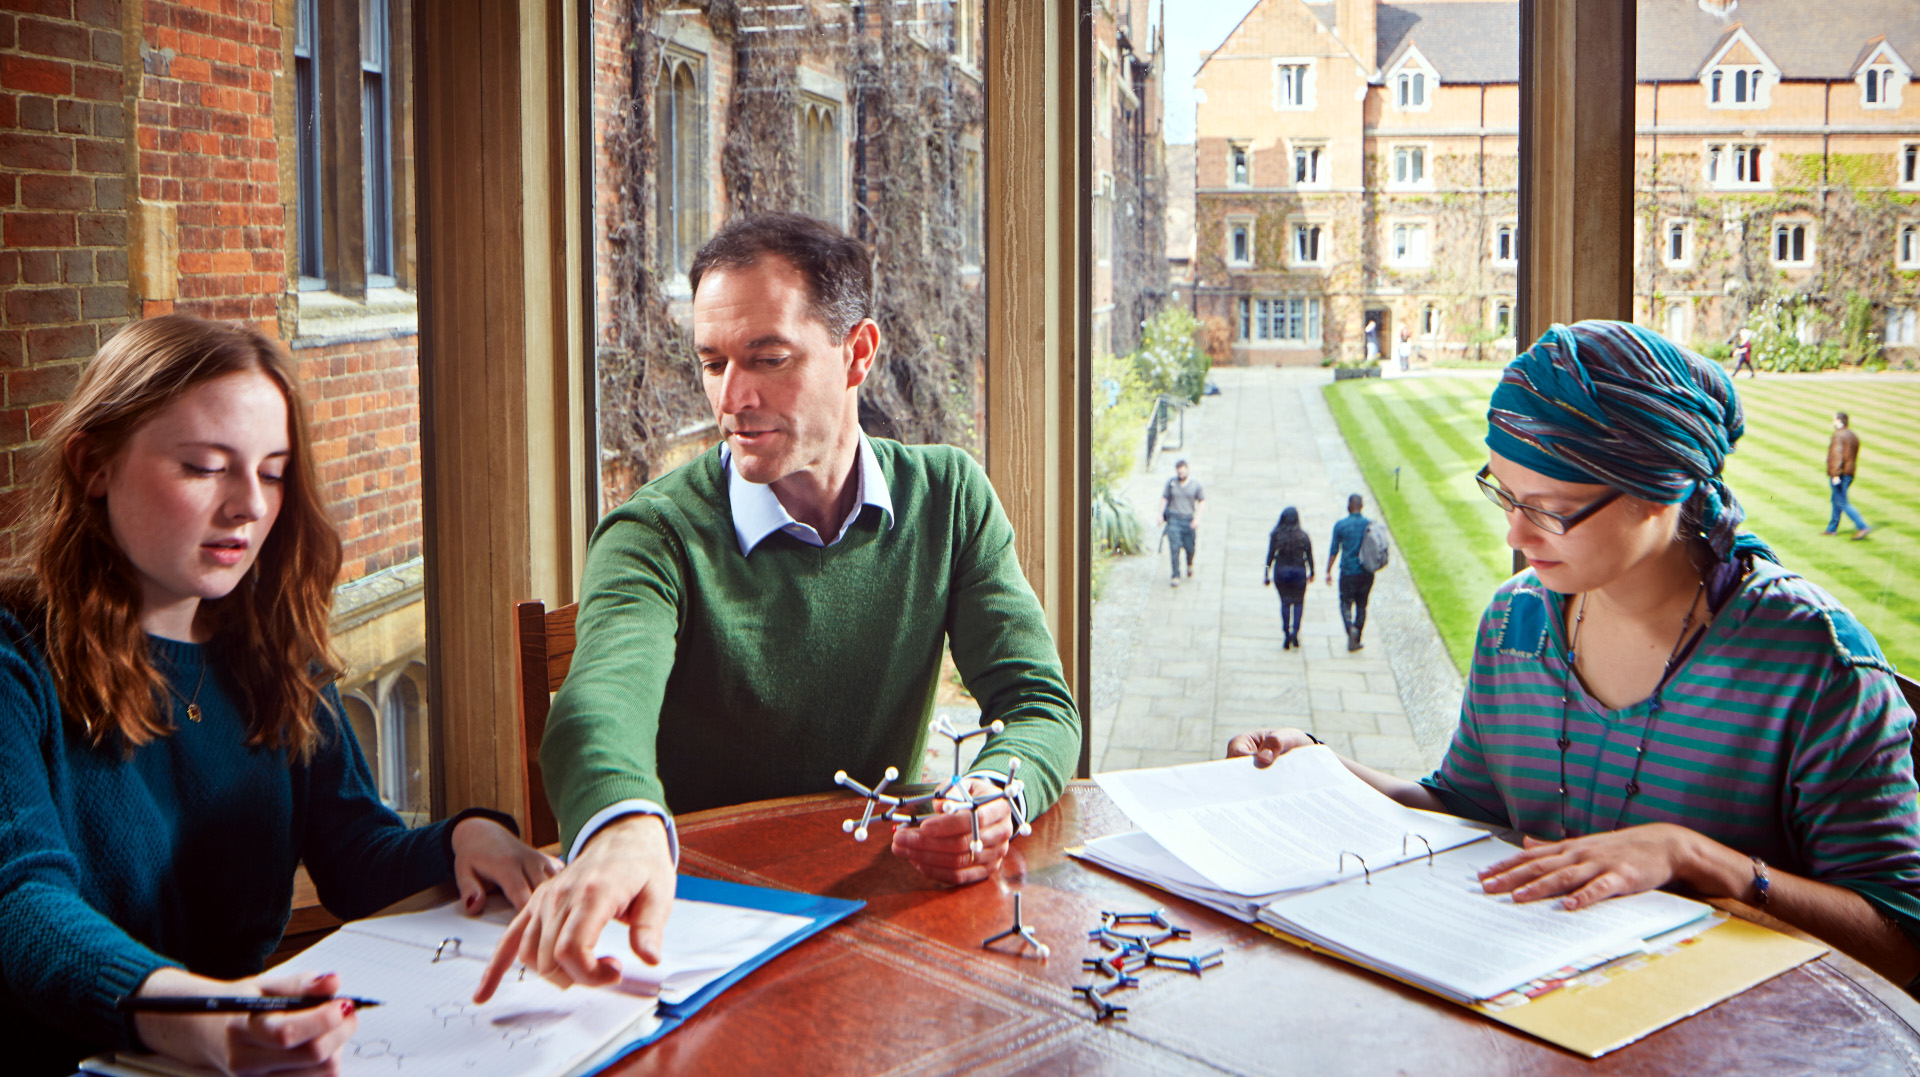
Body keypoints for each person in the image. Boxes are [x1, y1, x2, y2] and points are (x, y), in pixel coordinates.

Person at [478, 213, 1080, 1003]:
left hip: (874, 918)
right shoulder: (652, 533)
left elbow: (1039, 706)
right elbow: (597, 707)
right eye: (712, 362)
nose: (733, 399)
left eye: (768, 358)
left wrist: (993, 795)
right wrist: (624, 822)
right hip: (692, 937)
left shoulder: (949, 498)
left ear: (857, 352)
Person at [1230, 320, 1920, 986]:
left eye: (1549, 507)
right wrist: (1320, 765)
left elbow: (1902, 943)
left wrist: (1700, 859)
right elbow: (1464, 806)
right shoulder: (1515, 622)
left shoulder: (1815, 665)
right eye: (1504, 494)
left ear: (1660, 489)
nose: (1516, 533)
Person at [0, 315, 555, 1076]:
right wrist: (197, 1017)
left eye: (271, 471)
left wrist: (466, 838)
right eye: (203, 467)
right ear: (93, 463)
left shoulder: (273, 649)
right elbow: (21, 900)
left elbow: (357, 853)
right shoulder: (14, 658)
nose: (249, 507)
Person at [1325, 493, 1375, 651]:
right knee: (1362, 605)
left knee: (1345, 603)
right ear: (1362, 506)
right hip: (1366, 572)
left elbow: (1334, 550)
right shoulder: (1369, 525)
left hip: (1348, 571)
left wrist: (1328, 570)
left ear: (1349, 506)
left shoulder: (1341, 525)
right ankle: (1357, 636)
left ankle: (1350, 629)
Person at [1263, 507, 1314, 650]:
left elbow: (1270, 555)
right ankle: (1295, 632)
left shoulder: (1277, 535)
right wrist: (1312, 572)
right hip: (1299, 571)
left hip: (1282, 571)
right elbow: (1309, 555)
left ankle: (1286, 633)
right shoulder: (1303, 536)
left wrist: (1266, 573)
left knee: (1285, 603)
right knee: (1298, 603)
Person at [1824, 411, 1870, 540]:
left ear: (1839, 421)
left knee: (1842, 501)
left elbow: (1837, 455)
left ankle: (1862, 526)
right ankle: (1831, 529)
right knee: (1836, 499)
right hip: (1850, 472)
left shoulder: (1838, 435)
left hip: (1841, 473)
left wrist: (1835, 474)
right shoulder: (1852, 435)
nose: (1833, 422)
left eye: (1834, 419)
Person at [1161, 459, 1204, 587]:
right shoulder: (1171, 484)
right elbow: (1164, 498)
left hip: (1188, 519)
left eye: (1182, 471)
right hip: (1174, 519)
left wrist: (1197, 518)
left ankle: (1189, 563)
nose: (1180, 474)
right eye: (1178, 472)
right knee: (1174, 548)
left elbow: (1202, 501)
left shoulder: (1195, 485)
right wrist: (1160, 514)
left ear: (1187, 469)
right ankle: (1175, 574)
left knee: (1190, 547)